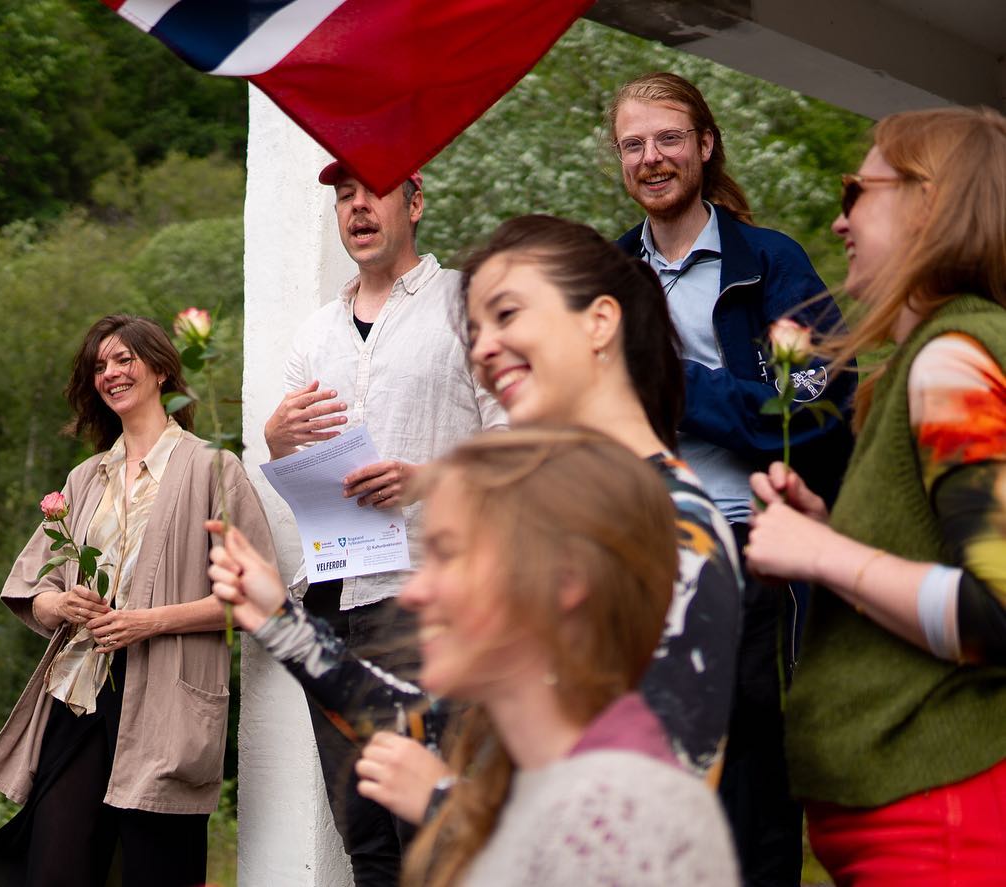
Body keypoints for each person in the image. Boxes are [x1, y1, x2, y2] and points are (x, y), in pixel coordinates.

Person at [210, 217, 740, 827]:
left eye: (509, 315)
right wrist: (280, 620)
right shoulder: (557, 513)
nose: (484, 348)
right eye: (479, 327)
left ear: (598, 323)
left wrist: (441, 805)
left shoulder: (667, 523)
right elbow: (435, 724)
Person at [212, 429, 738, 886]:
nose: (416, 593)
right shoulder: (505, 735)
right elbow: (395, 714)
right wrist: (278, 617)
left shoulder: (636, 787)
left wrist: (441, 807)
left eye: (449, 555)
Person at [744, 106, 1006, 885]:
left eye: (857, 188)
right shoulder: (942, 353)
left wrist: (823, 552)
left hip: (942, 826)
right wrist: (832, 537)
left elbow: (996, 610)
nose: (839, 216)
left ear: (930, 201)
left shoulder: (953, 359)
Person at [608, 71, 856, 885]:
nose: (651, 158)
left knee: (754, 781)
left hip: (753, 550)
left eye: (668, 138)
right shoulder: (606, 274)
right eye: (633, 144)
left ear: (706, 145)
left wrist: (678, 382)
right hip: (645, 556)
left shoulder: (770, 260)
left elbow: (816, 407)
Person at [0, 314, 274, 887]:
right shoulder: (85, 479)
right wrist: (59, 607)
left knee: (156, 870)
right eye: (99, 366)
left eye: (123, 359)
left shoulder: (213, 468)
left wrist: (150, 622)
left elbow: (255, 598)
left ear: (163, 368)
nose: (110, 373)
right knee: (54, 868)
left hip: (168, 702)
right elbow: (32, 591)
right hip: (80, 699)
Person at [262, 162, 505, 884]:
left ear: (417, 199)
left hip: (429, 599)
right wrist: (277, 442)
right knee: (364, 833)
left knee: (435, 825)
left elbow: (519, 442)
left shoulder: (467, 301)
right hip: (334, 605)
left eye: (372, 190)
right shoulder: (315, 333)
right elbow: (299, 470)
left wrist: (426, 479)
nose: (356, 207)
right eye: (343, 196)